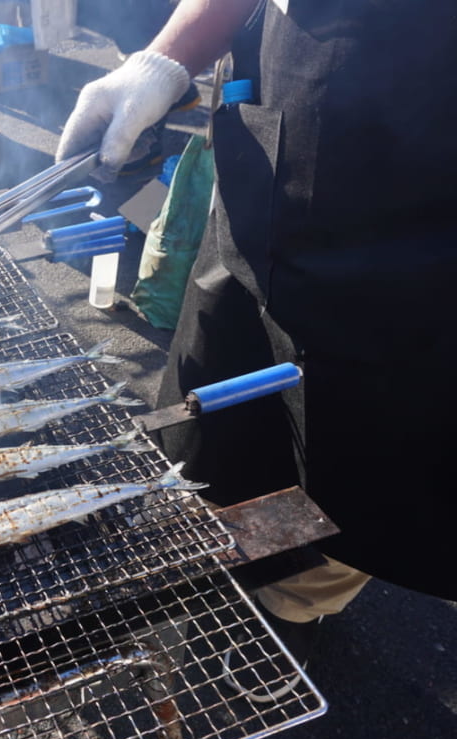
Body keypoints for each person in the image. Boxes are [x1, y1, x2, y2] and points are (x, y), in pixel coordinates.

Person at [57, 0, 457, 672]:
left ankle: (295, 609)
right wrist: (164, 62)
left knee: (376, 452)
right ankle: (249, 580)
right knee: (226, 395)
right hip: (294, 106)